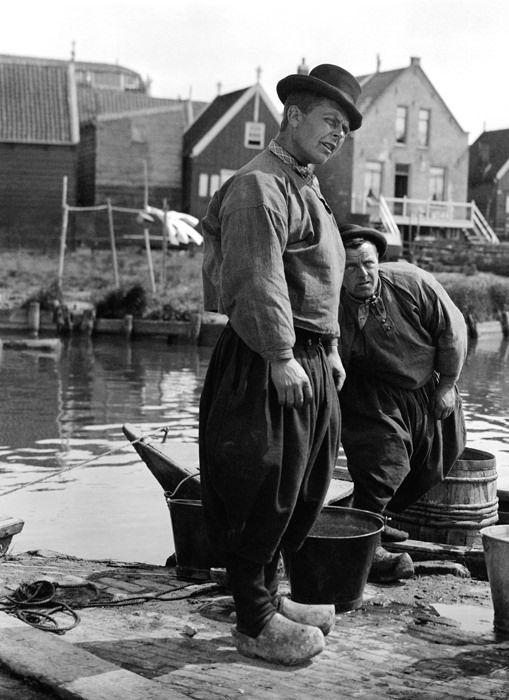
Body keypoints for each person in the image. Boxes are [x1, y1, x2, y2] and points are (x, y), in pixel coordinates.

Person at [198, 64, 362, 666]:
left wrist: (335, 349)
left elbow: (324, 277)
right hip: (268, 359)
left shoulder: (306, 184)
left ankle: (270, 595)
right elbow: (256, 278)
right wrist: (281, 354)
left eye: (344, 126)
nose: (337, 134)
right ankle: (254, 619)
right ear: (292, 115)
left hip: (311, 357)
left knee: (302, 487)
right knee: (262, 487)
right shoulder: (259, 185)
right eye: (328, 120)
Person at [337, 224, 467, 582]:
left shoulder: (413, 283)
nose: (362, 274)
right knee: (384, 461)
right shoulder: (327, 297)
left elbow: (452, 332)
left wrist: (448, 386)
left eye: (368, 264)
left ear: (379, 260)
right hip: (366, 392)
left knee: (438, 456)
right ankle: (366, 545)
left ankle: (375, 520)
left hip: (423, 386)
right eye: (349, 267)